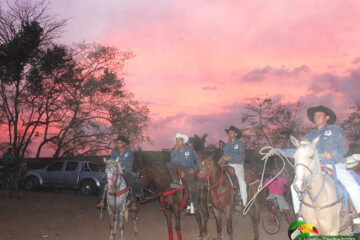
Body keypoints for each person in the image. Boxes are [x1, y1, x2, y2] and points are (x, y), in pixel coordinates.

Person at [270, 105, 360, 223]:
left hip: (335, 166)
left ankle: (357, 217)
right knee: (294, 186)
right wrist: (276, 151)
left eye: (319, 115)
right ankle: (300, 216)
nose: (316, 117)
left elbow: (344, 149)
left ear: (327, 117)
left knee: (353, 186)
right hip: (316, 169)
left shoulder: (335, 130)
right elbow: (298, 151)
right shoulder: (308, 136)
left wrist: (332, 153)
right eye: (315, 115)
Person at [96, 135, 136, 209]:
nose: (118, 144)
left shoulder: (129, 152)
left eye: (120, 143)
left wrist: (122, 166)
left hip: (127, 170)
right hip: (115, 170)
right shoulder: (114, 151)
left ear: (124, 143)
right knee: (103, 180)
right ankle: (101, 200)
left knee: (132, 181)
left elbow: (130, 162)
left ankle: (133, 202)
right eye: (117, 143)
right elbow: (111, 160)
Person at [167, 133, 200, 214]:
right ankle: (175, 180)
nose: (177, 142)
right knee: (169, 164)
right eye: (176, 140)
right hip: (178, 168)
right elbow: (173, 162)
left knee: (192, 185)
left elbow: (198, 160)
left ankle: (193, 205)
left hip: (189, 169)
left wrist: (194, 169)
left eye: (179, 140)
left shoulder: (190, 150)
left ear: (183, 141)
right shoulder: (173, 150)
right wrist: (175, 151)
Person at [218, 125, 247, 209]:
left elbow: (241, 156)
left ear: (236, 134)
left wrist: (230, 157)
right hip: (229, 165)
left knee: (242, 181)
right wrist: (226, 158)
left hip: (238, 165)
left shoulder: (241, 143)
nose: (229, 133)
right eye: (229, 132)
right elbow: (225, 156)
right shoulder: (227, 145)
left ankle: (243, 202)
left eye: (231, 132)